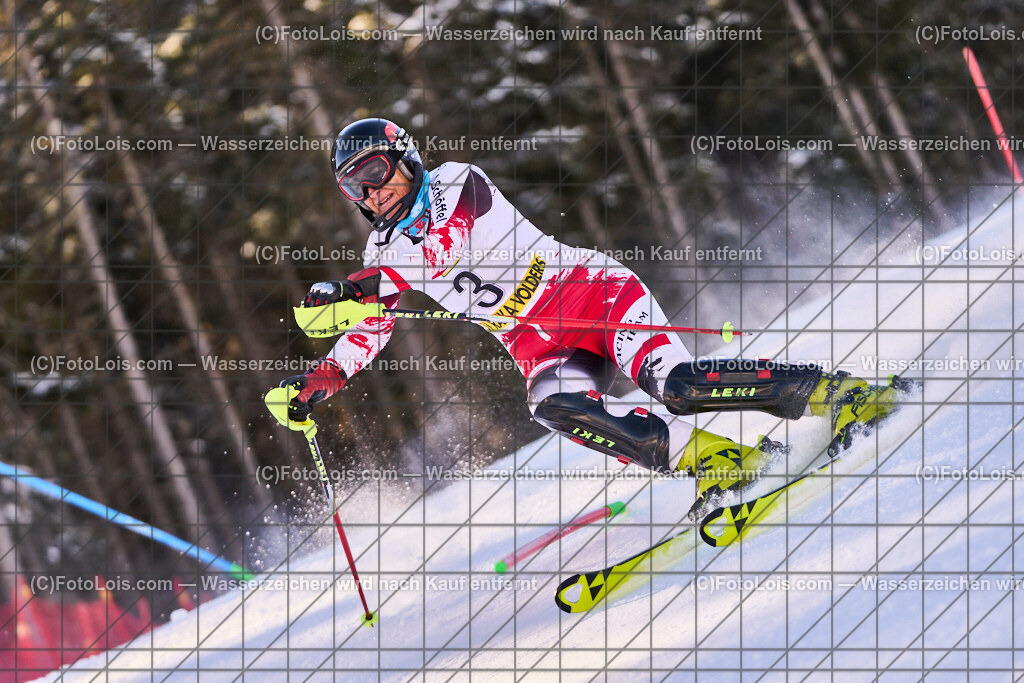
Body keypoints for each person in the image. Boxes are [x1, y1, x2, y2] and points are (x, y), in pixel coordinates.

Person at [267, 118, 908, 516]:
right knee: (554, 406)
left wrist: (356, 288)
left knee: (678, 388)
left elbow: (445, 247)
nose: (371, 191)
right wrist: (316, 384)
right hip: (542, 344)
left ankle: (831, 392)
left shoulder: (456, 183)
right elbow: (367, 331)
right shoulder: (383, 253)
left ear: (404, 158)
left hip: (596, 298)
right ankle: (716, 461)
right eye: (355, 187)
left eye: (375, 172)